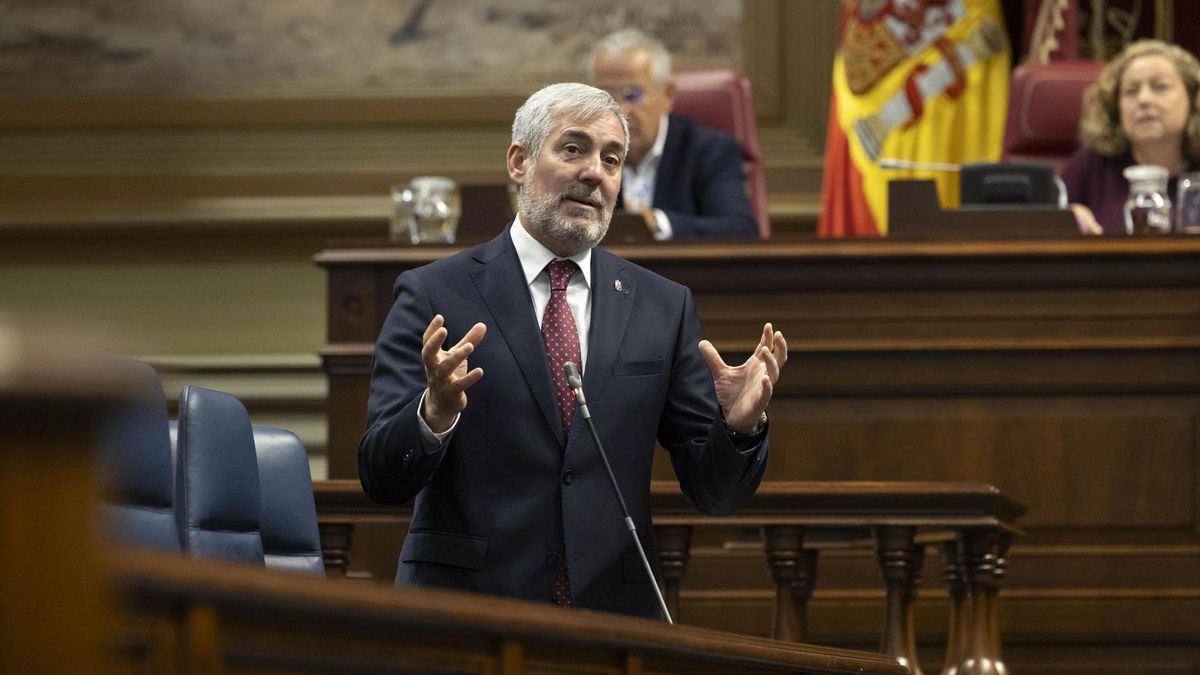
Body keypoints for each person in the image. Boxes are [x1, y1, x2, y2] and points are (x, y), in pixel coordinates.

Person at [358, 82, 787, 619]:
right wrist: (432, 416)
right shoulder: (433, 293)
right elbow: (381, 477)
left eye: (612, 159)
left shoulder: (662, 305)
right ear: (519, 162)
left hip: (610, 621)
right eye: (573, 149)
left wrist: (739, 429)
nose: (594, 173)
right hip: (467, 616)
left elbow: (714, 494)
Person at [590, 29, 759, 240]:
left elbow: (741, 229)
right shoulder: (588, 155)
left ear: (667, 95)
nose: (620, 110)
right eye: (607, 95)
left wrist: (655, 224)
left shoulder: (709, 151)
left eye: (633, 94)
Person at [1062, 39, 1200, 234]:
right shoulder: (1093, 165)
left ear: (1193, 99)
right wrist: (1066, 217)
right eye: (1131, 91)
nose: (1143, 100)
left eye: (1160, 87)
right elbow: (1044, 219)